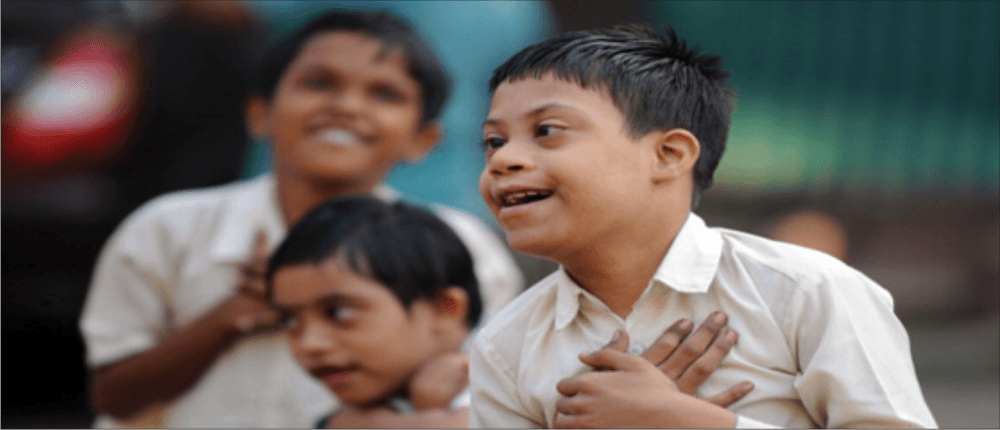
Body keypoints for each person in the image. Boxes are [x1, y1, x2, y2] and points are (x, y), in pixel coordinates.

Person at [469, 24, 938, 428]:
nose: (504, 159)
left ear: (669, 155)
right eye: (493, 141)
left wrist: (692, 421)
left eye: (547, 130)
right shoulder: (504, 345)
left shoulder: (804, 292)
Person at [78, 10, 523, 428]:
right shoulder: (168, 229)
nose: (347, 106)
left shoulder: (459, 243)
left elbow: (482, 393)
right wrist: (233, 316)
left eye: (384, 93)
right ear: (259, 113)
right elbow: (113, 397)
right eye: (318, 83)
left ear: (422, 139)